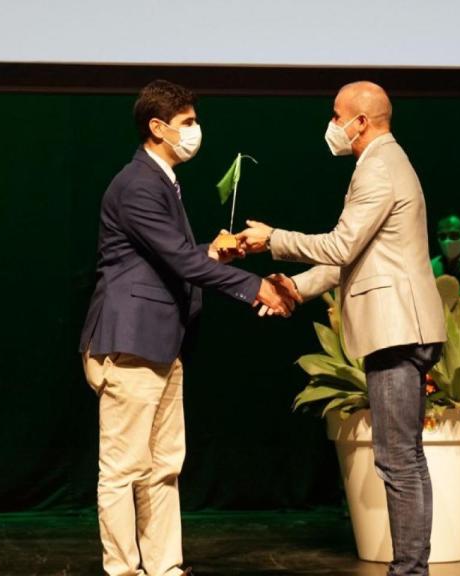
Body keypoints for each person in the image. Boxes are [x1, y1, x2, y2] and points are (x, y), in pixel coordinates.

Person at [78, 79, 297, 576]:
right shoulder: (136, 183)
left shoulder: (162, 183)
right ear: (157, 128)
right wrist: (254, 287)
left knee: (163, 465)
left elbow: (167, 260)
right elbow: (177, 262)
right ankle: (123, 569)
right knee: (122, 469)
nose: (196, 132)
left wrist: (212, 253)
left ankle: (164, 567)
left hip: (161, 342)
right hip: (130, 340)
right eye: (188, 124)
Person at [235, 81, 445, 576]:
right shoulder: (382, 163)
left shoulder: (379, 166)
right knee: (404, 458)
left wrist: (272, 239)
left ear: (361, 122)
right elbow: (351, 259)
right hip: (399, 326)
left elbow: (341, 247)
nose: (332, 125)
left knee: (399, 462)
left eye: (336, 115)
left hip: (397, 330)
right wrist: (294, 289)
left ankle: (410, 571)